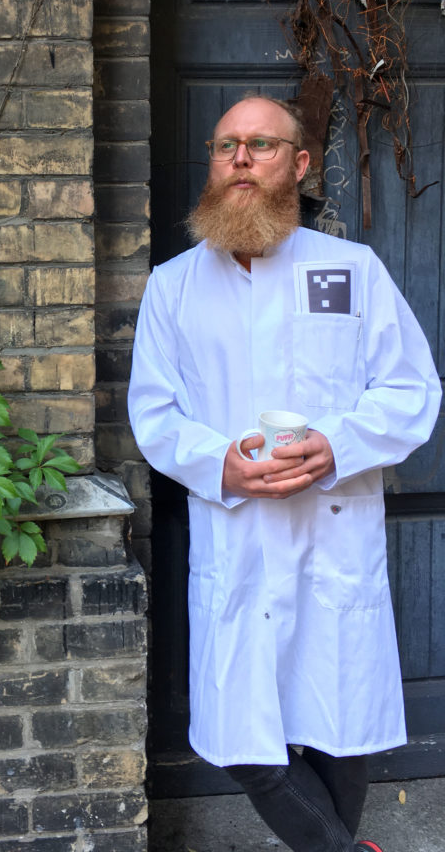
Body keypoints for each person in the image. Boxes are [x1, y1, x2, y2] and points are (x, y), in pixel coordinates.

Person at [128, 95, 442, 852]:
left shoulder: (351, 270)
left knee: (340, 727)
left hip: (332, 539)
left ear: (298, 166)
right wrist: (220, 464)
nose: (239, 158)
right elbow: (155, 414)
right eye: (226, 144)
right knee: (245, 744)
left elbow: (412, 390)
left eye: (261, 145)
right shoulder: (172, 287)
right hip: (236, 539)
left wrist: (338, 445)